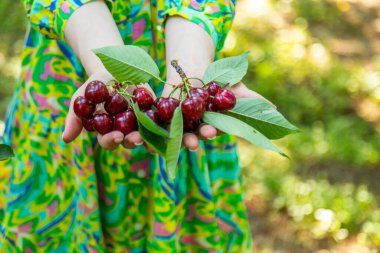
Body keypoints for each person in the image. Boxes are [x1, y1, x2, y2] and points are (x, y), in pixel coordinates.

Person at [1, 0, 267, 251]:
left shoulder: (191, 95)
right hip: (70, 61)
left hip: (178, 60)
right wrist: (107, 59)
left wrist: (192, 59)